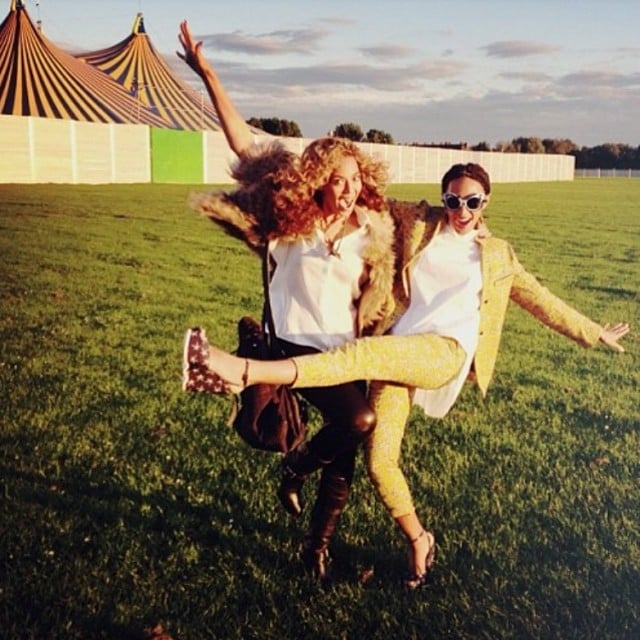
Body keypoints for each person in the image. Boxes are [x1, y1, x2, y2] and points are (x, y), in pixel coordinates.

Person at [183, 162, 630, 588]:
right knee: (380, 462)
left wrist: (593, 332)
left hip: (444, 353)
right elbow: (363, 197)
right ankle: (420, 539)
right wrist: (306, 185)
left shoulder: (498, 255)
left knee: (356, 355)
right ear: (443, 199)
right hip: (400, 348)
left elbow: (541, 299)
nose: (461, 212)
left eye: (472, 203)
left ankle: (243, 371)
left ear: (486, 202)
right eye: (453, 201)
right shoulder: (419, 224)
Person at [177, 21, 397, 582]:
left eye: (354, 179)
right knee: (360, 420)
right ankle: (296, 467)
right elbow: (243, 143)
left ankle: (314, 549)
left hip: (340, 356)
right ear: (317, 179)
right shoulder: (287, 221)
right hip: (290, 349)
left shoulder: (369, 231)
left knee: (345, 453)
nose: (346, 189)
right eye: (336, 178)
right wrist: (209, 75)